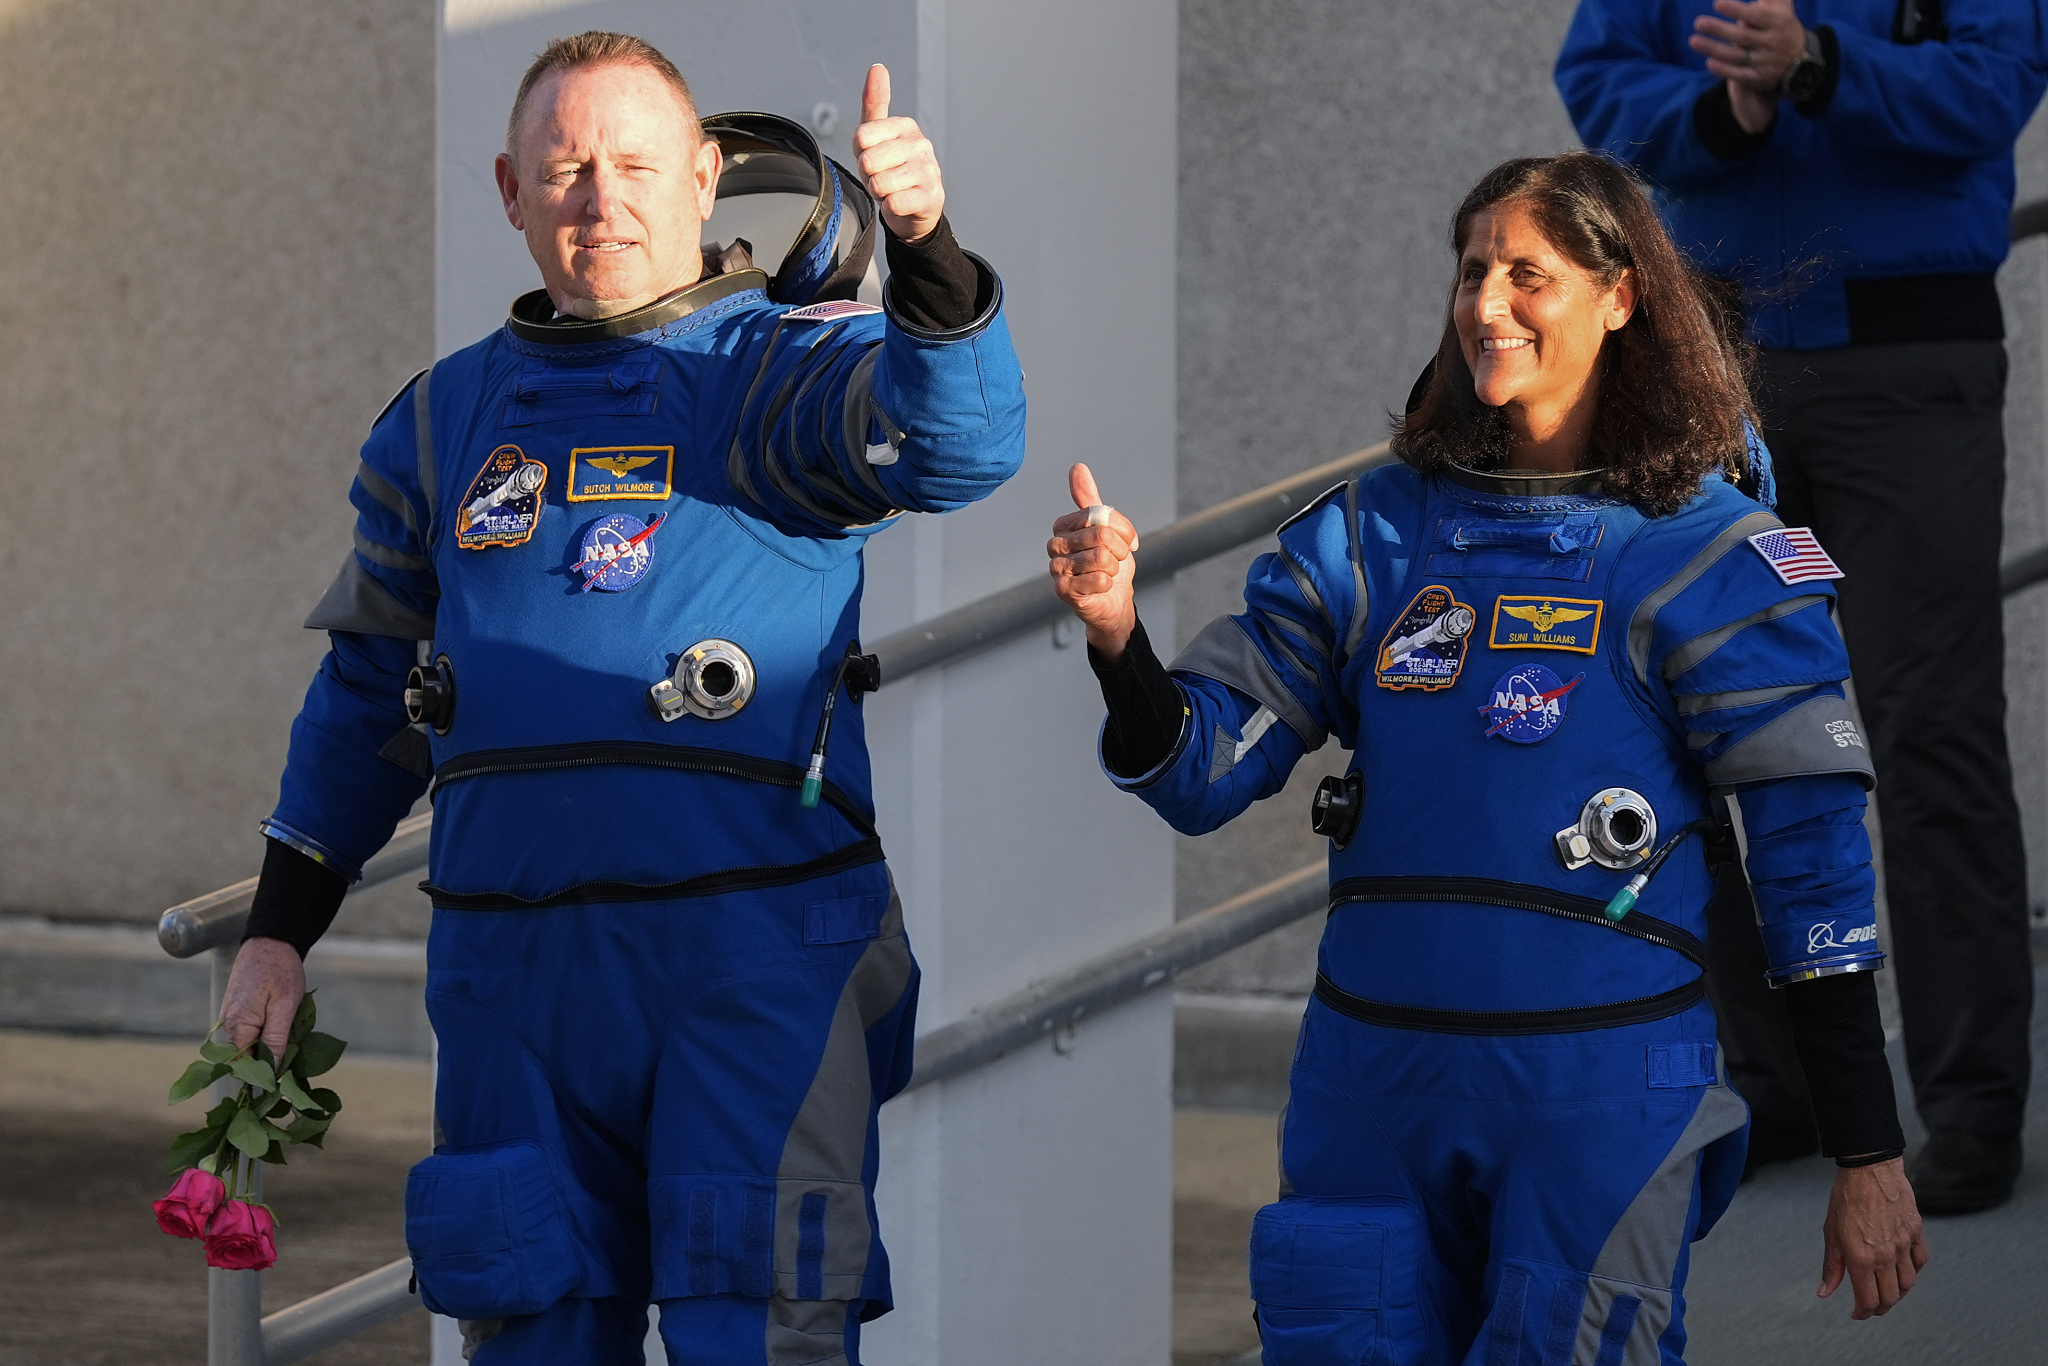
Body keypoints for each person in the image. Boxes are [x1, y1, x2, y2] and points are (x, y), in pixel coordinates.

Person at [214, 31, 1025, 1366]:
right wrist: (275, 929)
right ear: (511, 191)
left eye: (637, 163)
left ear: (705, 176)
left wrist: (929, 248)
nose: (603, 197)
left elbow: (957, 444)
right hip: (512, 977)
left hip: (752, 961)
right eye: (568, 167)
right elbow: (371, 691)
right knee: (528, 1322)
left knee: (755, 1325)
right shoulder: (443, 422)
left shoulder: (779, 372)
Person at [1049, 154, 1926, 1362]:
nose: (1486, 303)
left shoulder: (1711, 555)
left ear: (1620, 296)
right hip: (1373, 1085)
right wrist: (1116, 641)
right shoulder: (1375, 534)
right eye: (1471, 271)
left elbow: (1810, 876)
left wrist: (1865, 1150)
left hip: (1597, 1096)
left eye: (1528, 273)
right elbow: (1203, 769)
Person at [1556, 0, 2046, 1214]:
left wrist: (1821, 64)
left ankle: (1971, 1107)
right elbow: (1599, 84)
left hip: (1904, 370)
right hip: (1715, 373)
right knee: (1696, 724)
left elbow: (1993, 88)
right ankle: (1767, 1082)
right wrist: (1725, 110)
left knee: (1929, 731)